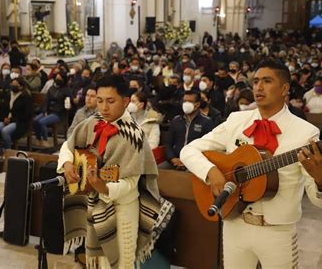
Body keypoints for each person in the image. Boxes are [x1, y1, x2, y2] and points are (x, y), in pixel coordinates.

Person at [180, 60, 322, 268]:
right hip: (235, 223)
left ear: (284, 89)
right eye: (255, 81)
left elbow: (321, 202)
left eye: (267, 81)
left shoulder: (305, 133)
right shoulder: (236, 120)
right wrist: (212, 172)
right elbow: (188, 150)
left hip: (277, 231)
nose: (258, 87)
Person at [57, 75, 172, 268]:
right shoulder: (93, 121)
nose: (103, 107)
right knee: (98, 264)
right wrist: (68, 163)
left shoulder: (134, 135)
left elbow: (131, 182)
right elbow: (67, 147)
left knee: (120, 263)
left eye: (111, 101)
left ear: (126, 101)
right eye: (100, 101)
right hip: (94, 205)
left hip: (122, 210)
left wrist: (104, 187)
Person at [165, 90, 214, 170]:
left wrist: (191, 162)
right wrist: (172, 158)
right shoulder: (176, 120)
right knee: (159, 170)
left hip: (195, 161)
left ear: (197, 104)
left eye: (190, 101)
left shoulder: (206, 122)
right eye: (184, 101)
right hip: (175, 159)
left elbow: (208, 147)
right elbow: (168, 143)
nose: (186, 104)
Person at [33, 72, 72, 147]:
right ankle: (38, 139)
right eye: (57, 78)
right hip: (49, 111)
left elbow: (68, 103)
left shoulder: (67, 90)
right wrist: (45, 111)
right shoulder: (52, 88)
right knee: (35, 120)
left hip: (58, 113)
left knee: (41, 122)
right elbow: (46, 101)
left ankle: (45, 139)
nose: (58, 79)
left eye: (60, 78)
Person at [0, 77, 33, 151]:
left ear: (21, 86)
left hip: (19, 122)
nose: (12, 86)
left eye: (15, 85)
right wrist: (4, 118)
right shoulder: (8, 95)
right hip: (6, 119)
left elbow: (26, 114)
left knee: (5, 131)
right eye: (12, 84)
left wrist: (12, 120)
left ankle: (8, 150)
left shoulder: (25, 97)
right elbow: (3, 109)